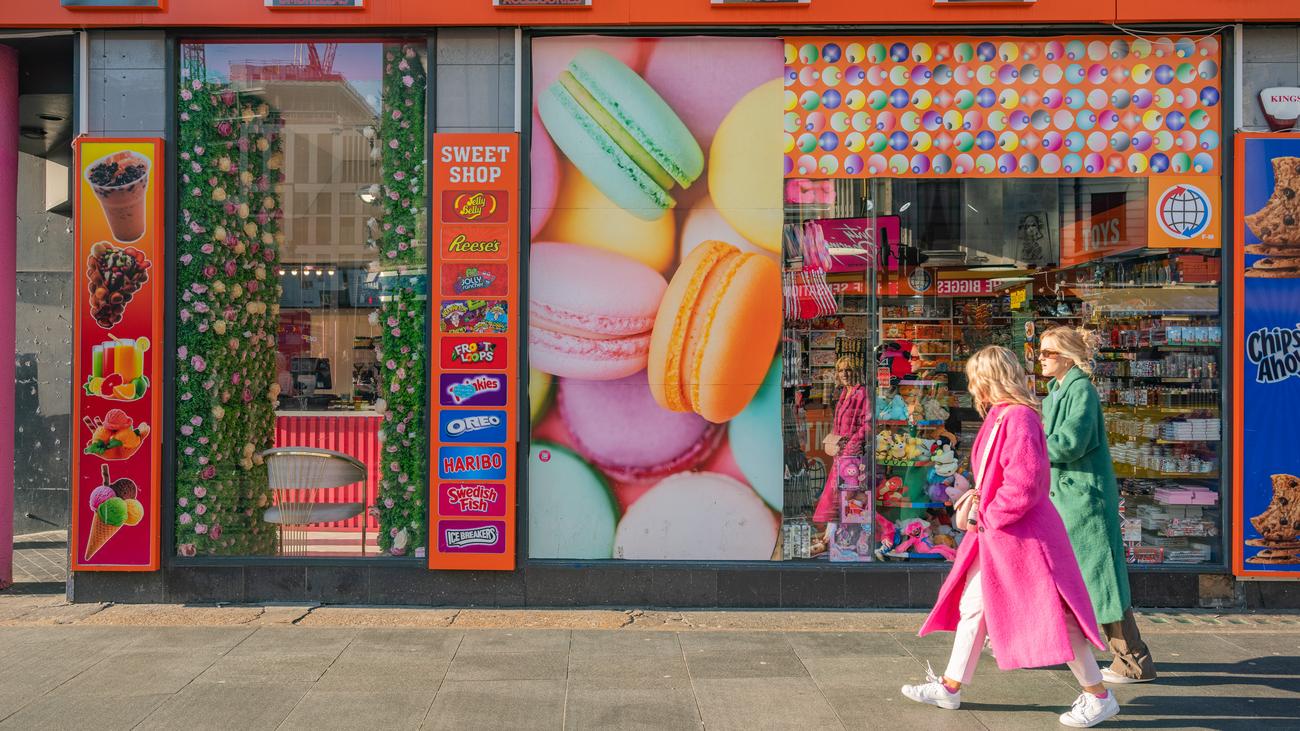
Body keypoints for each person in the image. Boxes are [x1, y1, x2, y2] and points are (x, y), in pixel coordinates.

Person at [901, 346, 1120, 729]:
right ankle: (951, 686)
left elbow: (1026, 482)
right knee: (974, 605)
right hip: (1006, 535)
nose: (971, 387)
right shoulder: (1009, 414)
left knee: (1056, 613)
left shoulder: (1015, 417)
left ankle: (1098, 695)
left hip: (1019, 536)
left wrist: (989, 513)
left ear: (988, 379)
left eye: (974, 378)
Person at [1039, 326, 1157, 684]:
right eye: (1041, 352)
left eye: (1047, 353)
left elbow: (1071, 443)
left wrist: (1031, 442)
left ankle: (1133, 660)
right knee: (1077, 575)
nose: (1040, 358)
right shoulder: (1058, 390)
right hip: (1066, 497)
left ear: (1066, 356)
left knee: (1101, 578)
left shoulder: (1081, 391)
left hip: (1084, 499)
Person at [812, 357, 870, 538]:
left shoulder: (862, 393)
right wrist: (835, 442)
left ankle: (839, 534)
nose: (844, 374)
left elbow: (867, 423)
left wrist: (852, 443)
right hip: (841, 452)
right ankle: (833, 533)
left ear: (856, 371)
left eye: (848, 370)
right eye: (841, 370)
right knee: (837, 492)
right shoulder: (844, 392)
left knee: (845, 493)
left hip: (852, 454)